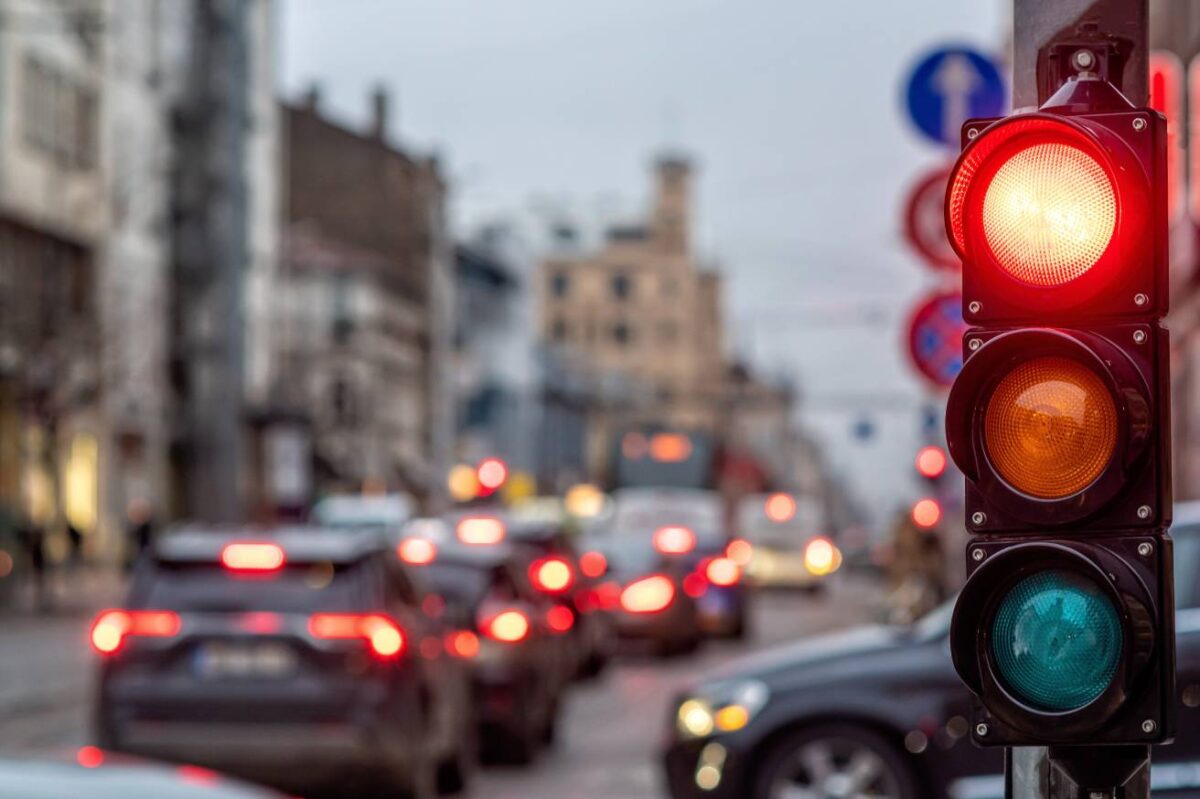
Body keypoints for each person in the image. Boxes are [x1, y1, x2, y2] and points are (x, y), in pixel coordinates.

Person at [125, 498, 154, 571]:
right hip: (140, 551)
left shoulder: (146, 525)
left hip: (145, 551)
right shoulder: (140, 525)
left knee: (143, 567)